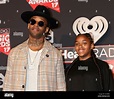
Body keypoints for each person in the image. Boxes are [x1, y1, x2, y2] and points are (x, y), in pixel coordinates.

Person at [3, 5, 66, 91]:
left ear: (46, 29)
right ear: (28, 25)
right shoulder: (14, 53)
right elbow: (7, 85)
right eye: (33, 22)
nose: (36, 25)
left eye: (40, 23)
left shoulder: (55, 55)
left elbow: (61, 87)